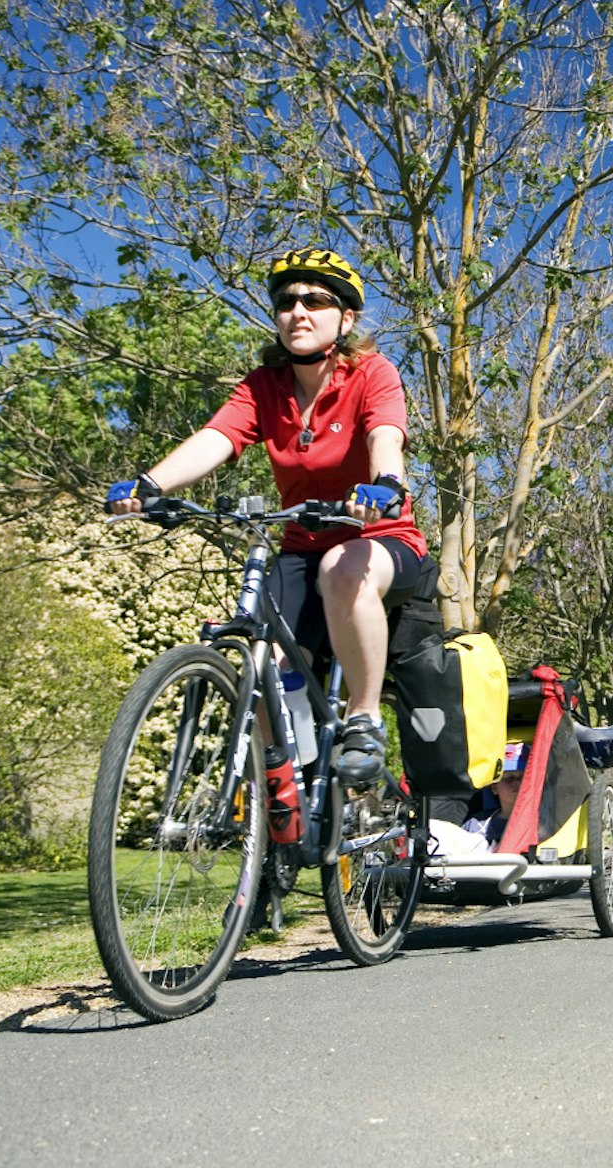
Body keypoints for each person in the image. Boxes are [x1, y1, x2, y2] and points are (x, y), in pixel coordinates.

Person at [106, 248, 428, 818]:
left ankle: (364, 718)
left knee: (342, 567)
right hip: (301, 546)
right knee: (265, 658)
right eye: (286, 301)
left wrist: (386, 482)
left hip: (381, 542)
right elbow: (218, 438)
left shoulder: (371, 374)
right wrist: (150, 482)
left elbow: (385, 434)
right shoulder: (264, 386)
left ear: (345, 319)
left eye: (315, 300)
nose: (298, 311)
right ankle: (292, 786)